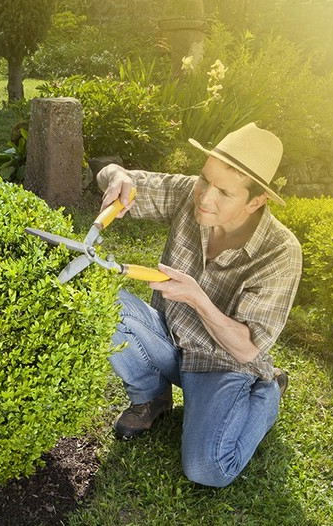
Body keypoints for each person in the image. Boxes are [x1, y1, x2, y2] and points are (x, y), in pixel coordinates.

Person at [96, 122, 302, 488]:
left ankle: (268, 392)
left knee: (208, 470)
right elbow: (114, 177)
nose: (206, 197)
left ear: (256, 200)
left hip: (223, 363)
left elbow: (245, 347)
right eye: (205, 180)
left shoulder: (280, 252)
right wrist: (117, 175)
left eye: (225, 192)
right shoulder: (188, 194)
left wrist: (197, 298)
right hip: (171, 339)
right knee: (98, 299)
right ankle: (152, 399)